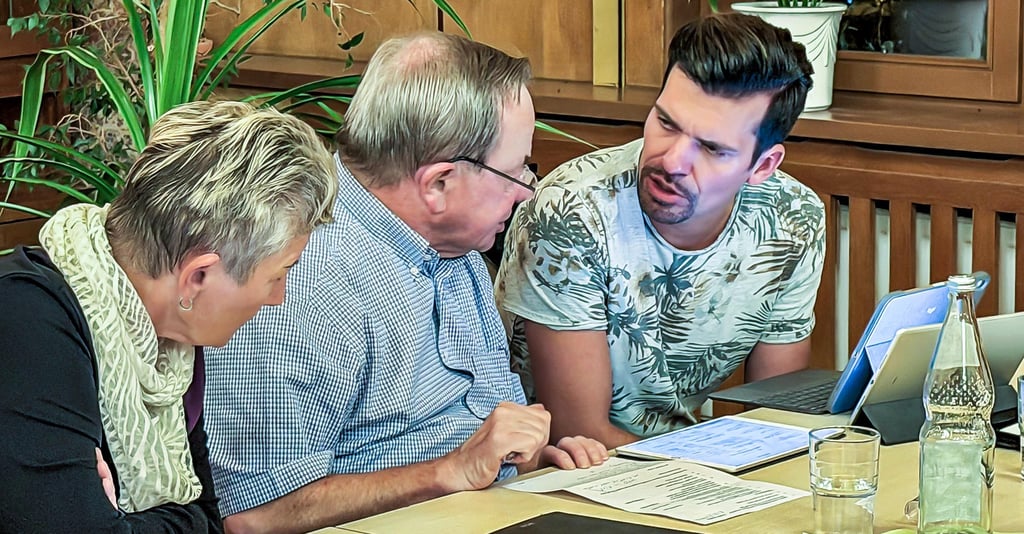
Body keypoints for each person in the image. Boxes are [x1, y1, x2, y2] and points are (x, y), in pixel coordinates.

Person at [204, 31, 607, 534]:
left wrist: (538, 460)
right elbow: (252, 515)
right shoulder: (298, 279)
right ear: (438, 184)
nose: (527, 193)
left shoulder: (453, 245)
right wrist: (447, 474)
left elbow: (484, 442)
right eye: (517, 172)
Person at [0, 100, 338, 533]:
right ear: (197, 277)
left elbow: (208, 519)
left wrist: (127, 520)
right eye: (278, 275)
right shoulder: (26, 322)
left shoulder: (169, 349)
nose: (279, 298)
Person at [495, 12, 826, 449]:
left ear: (762, 166)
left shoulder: (793, 217)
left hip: (683, 464)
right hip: (560, 472)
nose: (672, 161)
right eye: (666, 123)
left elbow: (775, 418)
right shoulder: (571, 213)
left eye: (711, 148)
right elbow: (578, 435)